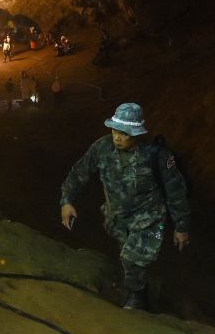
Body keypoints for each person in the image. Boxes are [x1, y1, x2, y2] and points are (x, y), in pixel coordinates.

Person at [60, 103, 190, 310]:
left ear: (137, 134)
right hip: (117, 218)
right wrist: (66, 200)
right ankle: (142, 288)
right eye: (115, 131)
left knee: (132, 258)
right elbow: (80, 172)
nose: (117, 137)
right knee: (127, 256)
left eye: (124, 134)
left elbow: (176, 191)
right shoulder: (102, 148)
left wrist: (181, 226)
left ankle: (138, 302)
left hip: (150, 219)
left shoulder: (159, 157)